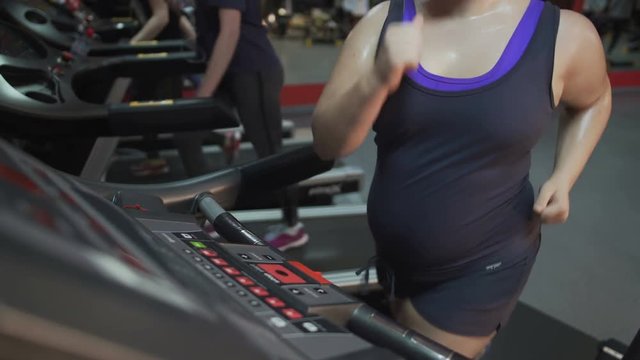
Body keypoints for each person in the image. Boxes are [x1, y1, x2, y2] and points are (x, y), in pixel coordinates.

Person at [312, 0, 611, 358]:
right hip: (394, 259)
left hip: (484, 264)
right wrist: (378, 77)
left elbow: (594, 99)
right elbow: (328, 143)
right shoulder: (384, 22)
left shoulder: (565, 35)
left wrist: (564, 176)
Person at [190, 0, 307, 250]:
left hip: (252, 71)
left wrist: (203, 93)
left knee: (270, 153)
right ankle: (203, 216)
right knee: (186, 134)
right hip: (231, 72)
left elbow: (230, 32)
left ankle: (293, 226)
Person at [129, 0, 197, 177]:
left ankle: (156, 160)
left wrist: (132, 45)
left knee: (152, 111)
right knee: (170, 111)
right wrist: (192, 40)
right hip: (169, 53)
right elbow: (177, 17)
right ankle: (155, 159)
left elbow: (161, 18)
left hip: (158, 54)